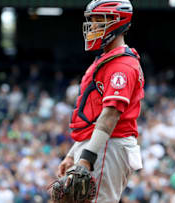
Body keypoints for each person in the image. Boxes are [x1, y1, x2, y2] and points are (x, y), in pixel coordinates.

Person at [56, 0, 144, 202]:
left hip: (108, 145)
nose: (93, 26)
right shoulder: (107, 59)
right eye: (92, 20)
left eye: (99, 20)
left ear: (118, 21)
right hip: (97, 144)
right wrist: (73, 153)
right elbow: (94, 114)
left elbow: (111, 114)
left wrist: (87, 158)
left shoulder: (122, 65)